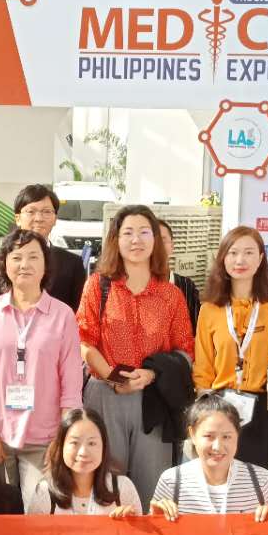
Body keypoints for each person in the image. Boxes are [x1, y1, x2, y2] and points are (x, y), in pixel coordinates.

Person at [78, 204, 195, 503]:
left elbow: (185, 349)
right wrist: (112, 376)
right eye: (127, 232)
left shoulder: (171, 294)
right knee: (105, 484)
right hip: (105, 394)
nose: (136, 240)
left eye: (144, 232)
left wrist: (152, 373)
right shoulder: (98, 286)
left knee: (151, 487)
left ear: (155, 239)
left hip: (153, 399)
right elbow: (84, 341)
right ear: (115, 240)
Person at [0, 229, 83, 508]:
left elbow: (71, 386)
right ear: (4, 264)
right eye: (16, 257)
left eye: (33, 257)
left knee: (39, 513)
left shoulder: (63, 315)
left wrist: (62, 440)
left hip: (46, 441)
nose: (24, 264)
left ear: (45, 265)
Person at [193, 225, 268, 469]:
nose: (240, 260)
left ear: (261, 259)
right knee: (221, 477)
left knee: (260, 478)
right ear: (223, 259)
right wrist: (203, 413)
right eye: (233, 253)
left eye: (248, 253)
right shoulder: (209, 310)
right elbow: (203, 369)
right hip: (221, 407)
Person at [149, 394, 268, 519]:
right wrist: (156, 517)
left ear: (238, 434)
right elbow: (154, 533)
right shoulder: (171, 481)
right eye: (209, 436)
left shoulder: (262, 481)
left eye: (226, 437)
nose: (217, 447)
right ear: (192, 434)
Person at [0, 184, 88, 314]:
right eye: (31, 212)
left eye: (46, 212)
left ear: (55, 218)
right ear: (18, 218)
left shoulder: (73, 264)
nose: (39, 218)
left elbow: (78, 315)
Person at [26, 407, 141, 516]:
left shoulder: (123, 488)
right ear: (61, 446)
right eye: (74, 443)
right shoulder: (44, 492)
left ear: (104, 447)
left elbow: (142, 530)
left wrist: (131, 523)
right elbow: (31, 531)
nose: (83, 452)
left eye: (91, 443)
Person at [156, 219, 201, 330]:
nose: (157, 246)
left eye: (162, 240)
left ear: (172, 246)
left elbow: (196, 330)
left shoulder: (187, 286)